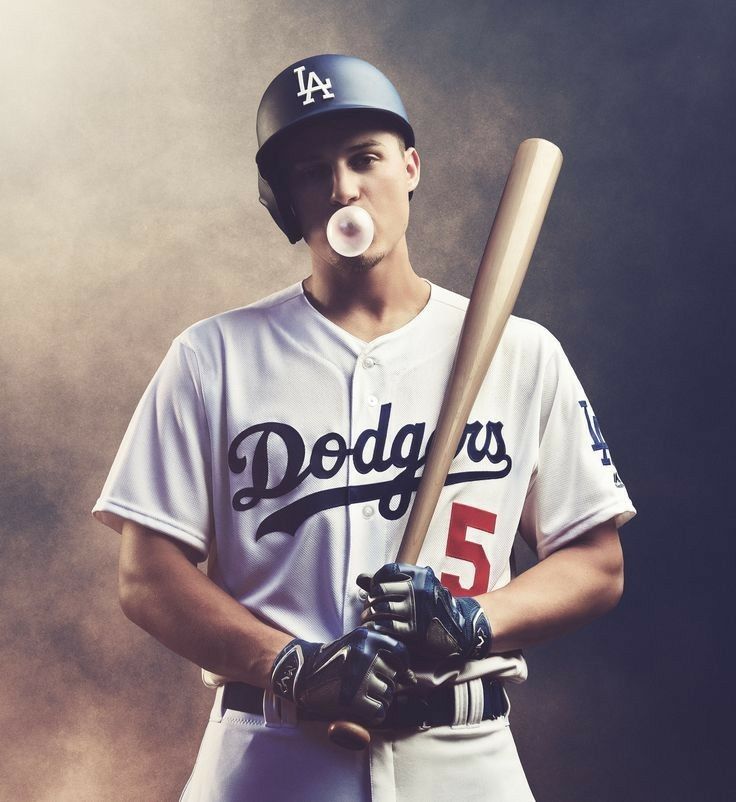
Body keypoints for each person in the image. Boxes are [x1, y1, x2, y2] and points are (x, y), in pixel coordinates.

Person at [92, 54, 636, 802]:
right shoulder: (211, 357)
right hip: (272, 753)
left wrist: (471, 621)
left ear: (409, 166)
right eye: (313, 170)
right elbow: (146, 577)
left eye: (364, 158)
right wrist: (293, 665)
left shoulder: (522, 350)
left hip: (464, 755)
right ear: (285, 200)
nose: (343, 188)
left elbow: (596, 563)